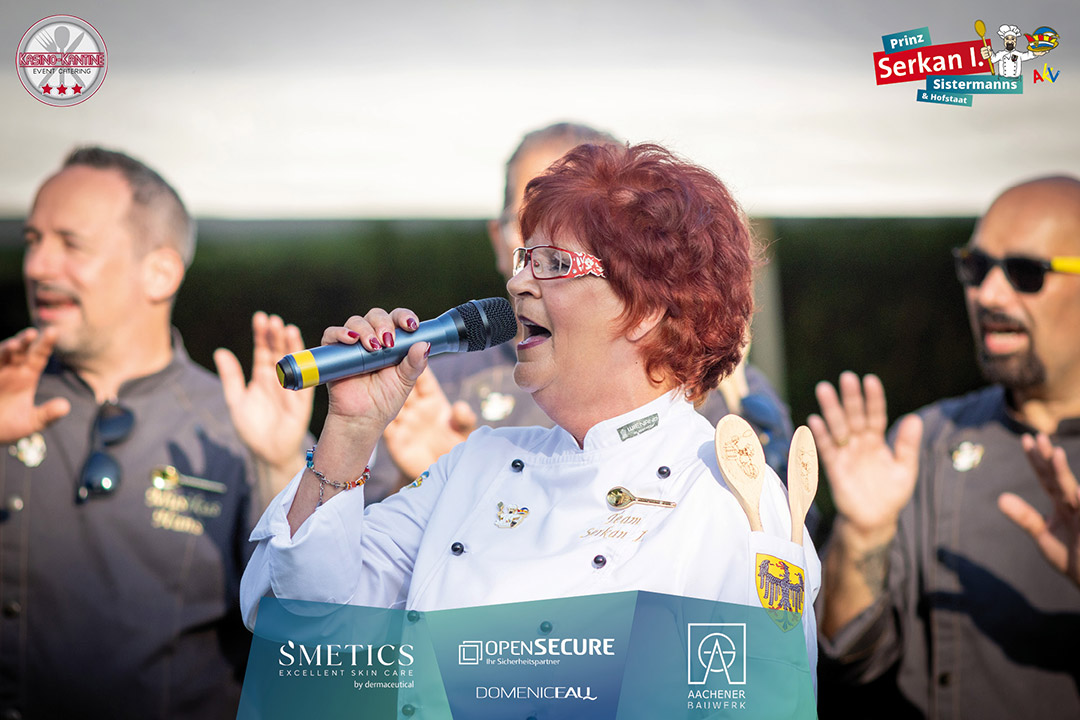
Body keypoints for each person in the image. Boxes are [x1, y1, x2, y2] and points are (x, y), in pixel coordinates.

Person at [241, 143, 820, 683]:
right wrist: (351, 431)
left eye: (553, 263)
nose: (518, 282)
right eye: (524, 259)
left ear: (646, 308)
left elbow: (759, 699)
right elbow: (295, 624)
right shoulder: (476, 466)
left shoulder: (733, 496)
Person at [0, 147, 312, 719]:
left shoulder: (241, 427)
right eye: (32, 240)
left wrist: (280, 465)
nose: (38, 267)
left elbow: (311, 630)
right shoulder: (6, 396)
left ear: (160, 272)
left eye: (71, 244)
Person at [371, 121, 795, 501]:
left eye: (563, 250)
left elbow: (773, 546)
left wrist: (470, 489)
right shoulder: (431, 379)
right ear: (498, 239)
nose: (527, 273)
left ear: (644, 290)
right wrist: (423, 478)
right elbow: (357, 554)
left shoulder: (699, 402)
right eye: (528, 224)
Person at [810, 175, 1080, 718]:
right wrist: (863, 534)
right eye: (976, 267)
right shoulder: (928, 440)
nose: (989, 294)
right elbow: (849, 658)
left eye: (1026, 272)